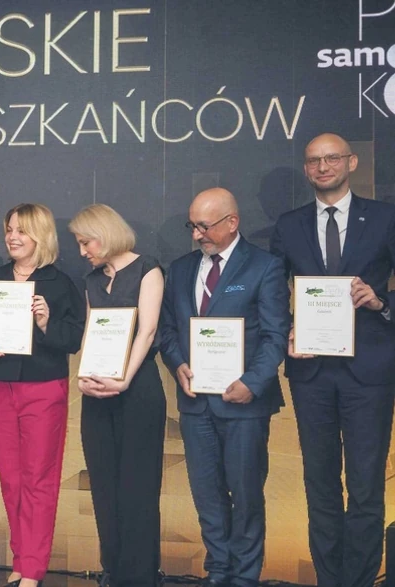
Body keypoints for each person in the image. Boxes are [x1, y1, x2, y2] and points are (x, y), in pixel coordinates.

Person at [270, 133, 395, 587]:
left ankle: (358, 581)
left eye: (331, 158)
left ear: (352, 162)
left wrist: (381, 302)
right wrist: (286, 330)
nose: (323, 167)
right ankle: (329, 579)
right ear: (306, 169)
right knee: (319, 484)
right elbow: (272, 292)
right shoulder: (289, 225)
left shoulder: (384, 218)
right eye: (313, 161)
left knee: (365, 486)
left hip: (370, 372)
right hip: (312, 372)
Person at [159, 188, 289, 587]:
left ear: (232, 222)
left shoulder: (265, 266)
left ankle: (245, 577)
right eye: (192, 225)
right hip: (196, 404)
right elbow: (167, 330)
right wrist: (178, 364)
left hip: (245, 404)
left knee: (246, 495)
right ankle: (218, 571)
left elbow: (275, 335)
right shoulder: (180, 269)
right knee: (207, 495)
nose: (197, 234)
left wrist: (253, 383)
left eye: (204, 226)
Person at [0, 204, 85, 587]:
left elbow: (73, 340)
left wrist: (46, 322)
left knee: (40, 478)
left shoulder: (61, 283)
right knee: (10, 477)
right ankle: (21, 559)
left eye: (21, 230)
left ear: (41, 235)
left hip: (44, 388)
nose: (12, 237)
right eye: (9, 229)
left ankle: (34, 567)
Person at [68, 204, 166, 587]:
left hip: (138, 390)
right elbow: (91, 335)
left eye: (86, 242)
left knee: (138, 487)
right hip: (97, 392)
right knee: (103, 485)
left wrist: (123, 379)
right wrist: (83, 376)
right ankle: (113, 570)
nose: (82, 251)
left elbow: (148, 330)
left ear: (105, 234)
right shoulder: (92, 280)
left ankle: (141, 576)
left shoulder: (148, 269)